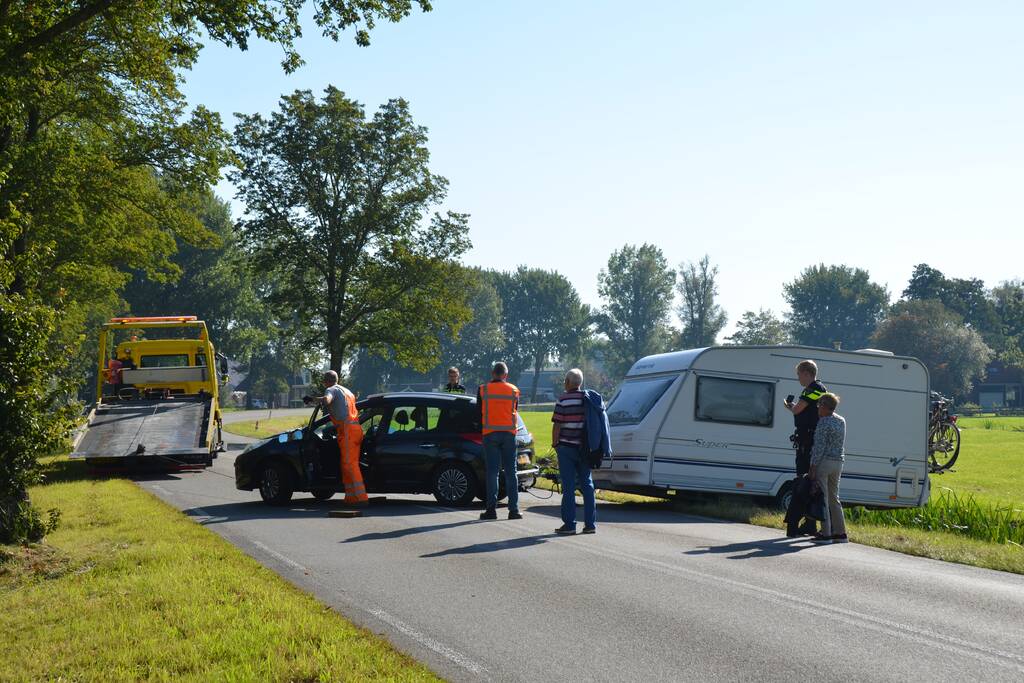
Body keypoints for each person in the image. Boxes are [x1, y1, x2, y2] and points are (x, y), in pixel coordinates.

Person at [306, 371, 368, 507]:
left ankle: (361, 497)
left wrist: (312, 399)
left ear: (326, 381)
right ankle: (351, 498)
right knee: (346, 464)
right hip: (355, 429)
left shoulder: (331, 390)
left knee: (350, 465)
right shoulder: (347, 391)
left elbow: (327, 399)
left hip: (347, 430)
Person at [784, 359, 827, 536]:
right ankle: (809, 523)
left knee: (804, 482)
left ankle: (798, 523)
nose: (798, 378)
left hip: (808, 442)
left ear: (807, 373)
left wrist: (790, 406)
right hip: (807, 440)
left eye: (799, 374)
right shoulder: (814, 389)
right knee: (807, 483)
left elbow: (798, 410)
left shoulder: (815, 389)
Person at [552, 368, 596, 535]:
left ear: (568, 382)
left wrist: (555, 444)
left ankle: (570, 524)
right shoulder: (588, 400)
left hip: (566, 448)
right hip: (585, 449)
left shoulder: (562, 400)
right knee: (587, 485)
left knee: (568, 486)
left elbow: (557, 424)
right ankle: (590, 524)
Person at [477, 362, 521, 520]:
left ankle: (491, 510)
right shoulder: (514, 390)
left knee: (492, 473)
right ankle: (514, 510)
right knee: (511, 472)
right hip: (509, 435)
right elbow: (515, 411)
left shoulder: (483, 389)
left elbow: (478, 412)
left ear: (492, 373)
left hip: (490, 434)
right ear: (505, 375)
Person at [809, 393, 848, 544]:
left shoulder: (823, 422)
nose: (818, 408)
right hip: (838, 462)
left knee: (822, 498)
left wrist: (812, 466)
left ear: (825, 407)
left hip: (824, 463)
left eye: (819, 405)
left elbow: (819, 447)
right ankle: (840, 533)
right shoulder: (841, 420)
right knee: (834, 499)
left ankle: (825, 534)